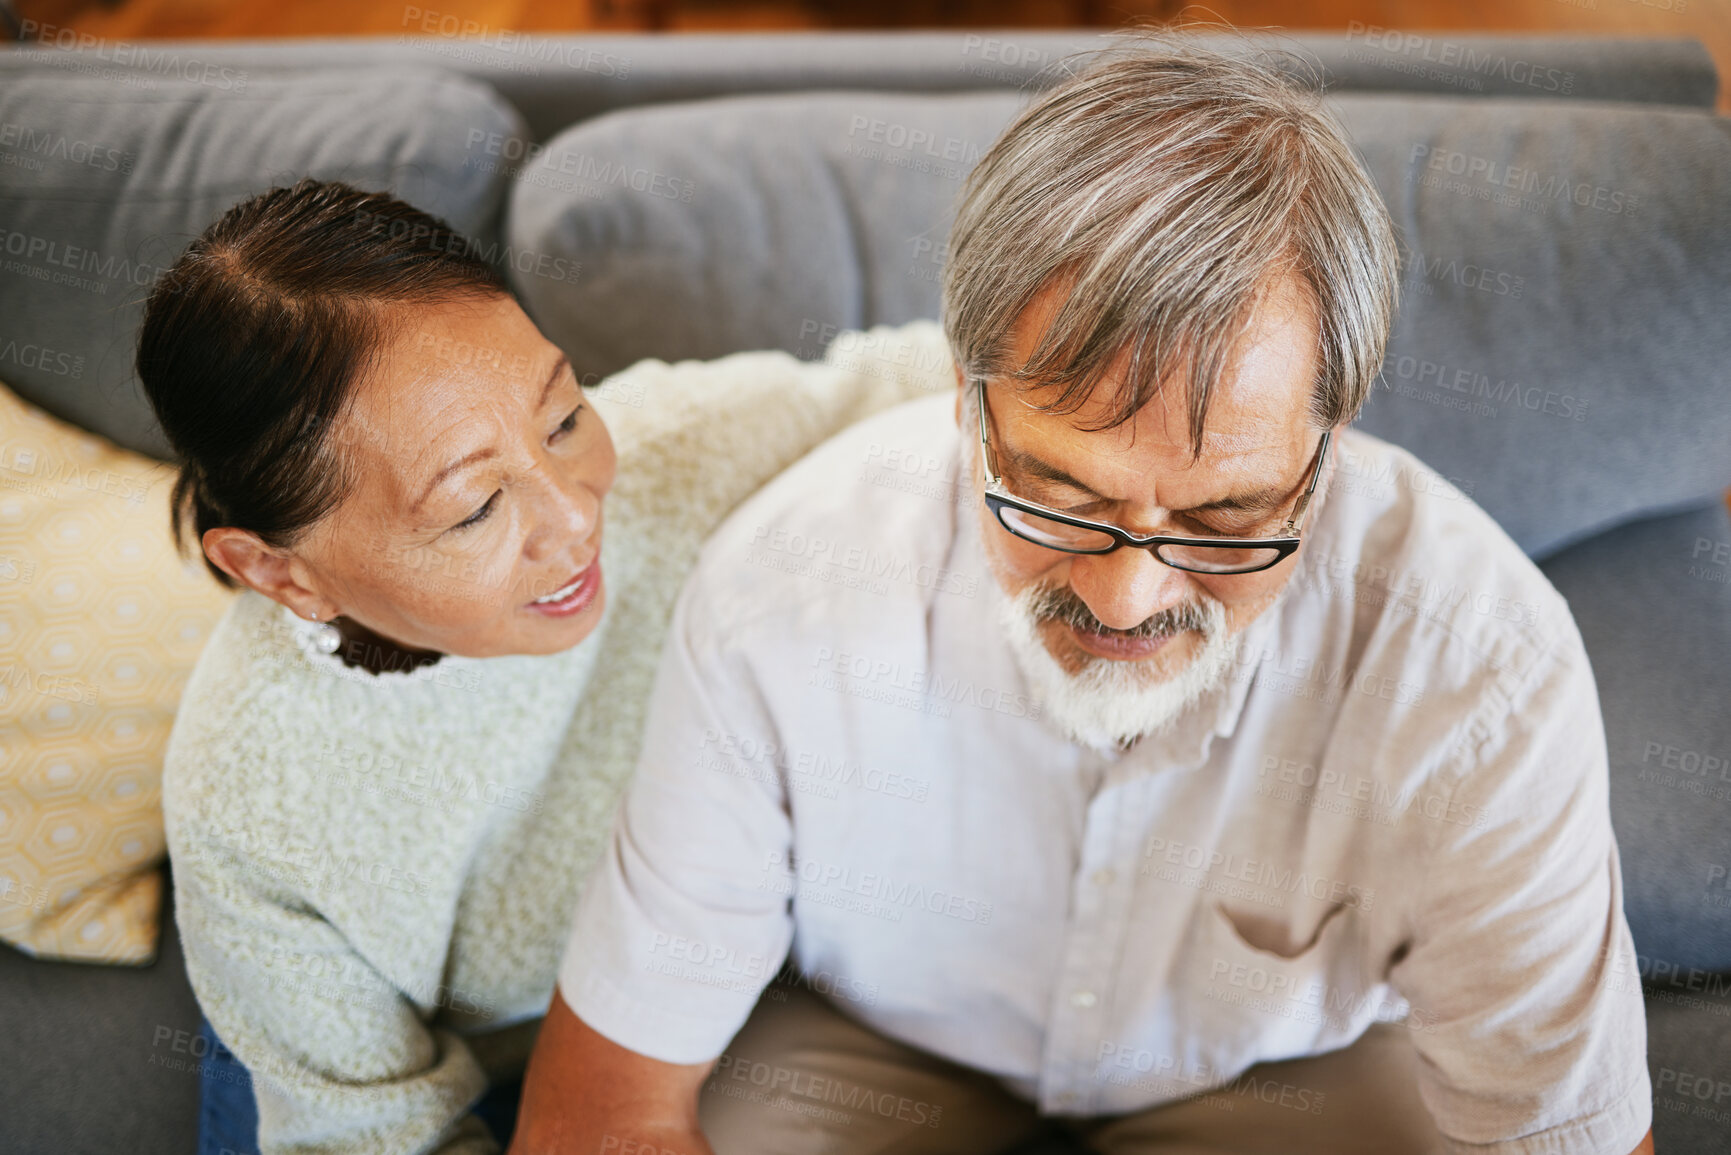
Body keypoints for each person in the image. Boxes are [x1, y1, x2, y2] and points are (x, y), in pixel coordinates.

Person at [511, 37, 1655, 1155]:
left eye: (1224, 519)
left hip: (1295, 1077)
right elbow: (602, 1116)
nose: (1126, 595)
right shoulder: (783, 588)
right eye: (1058, 495)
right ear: (968, 406)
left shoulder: (1484, 671)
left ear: (1330, 443)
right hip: (872, 1051)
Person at [141, 178, 938, 1155]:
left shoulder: (668, 454)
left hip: (657, 1013)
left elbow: (914, 382)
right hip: (400, 1091)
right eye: (475, 508)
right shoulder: (248, 799)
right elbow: (377, 1134)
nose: (575, 516)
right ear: (280, 571)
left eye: (562, 419)